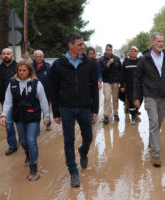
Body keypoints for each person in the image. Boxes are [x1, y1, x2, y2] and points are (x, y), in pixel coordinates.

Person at [50, 32, 99, 187]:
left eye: (82, 44)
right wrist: (56, 112)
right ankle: (73, 171)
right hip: (66, 108)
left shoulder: (89, 63)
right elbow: (54, 89)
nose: (82, 47)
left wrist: (95, 108)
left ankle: (83, 152)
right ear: (70, 45)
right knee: (68, 140)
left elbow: (94, 88)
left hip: (85, 107)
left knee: (88, 137)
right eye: (79, 44)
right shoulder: (58, 65)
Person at [0, 59, 50, 181]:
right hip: (18, 116)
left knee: (31, 140)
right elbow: (7, 101)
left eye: (24, 70)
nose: (21, 72)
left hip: (33, 116)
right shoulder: (12, 83)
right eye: (19, 70)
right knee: (23, 141)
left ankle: (33, 166)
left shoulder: (36, 83)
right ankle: (28, 154)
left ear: (29, 71)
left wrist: (46, 116)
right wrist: (3, 115)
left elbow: (43, 101)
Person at [133, 32, 165, 167]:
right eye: (158, 41)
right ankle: (156, 154)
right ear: (152, 42)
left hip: (163, 95)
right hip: (150, 95)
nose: (161, 44)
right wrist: (136, 97)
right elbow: (137, 79)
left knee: (160, 121)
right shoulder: (145, 59)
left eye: (162, 41)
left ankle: (152, 140)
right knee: (154, 121)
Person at [0, 48, 18, 155]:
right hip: (5, 101)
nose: (6, 56)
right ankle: (12, 145)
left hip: (20, 100)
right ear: (1, 56)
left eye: (8, 54)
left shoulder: (19, 67)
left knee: (21, 122)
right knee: (8, 123)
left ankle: (26, 142)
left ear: (12, 55)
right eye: (4, 54)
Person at [99, 44, 123, 124]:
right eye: (108, 50)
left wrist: (120, 80)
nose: (109, 51)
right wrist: (108, 63)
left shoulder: (116, 58)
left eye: (111, 50)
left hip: (115, 81)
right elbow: (102, 71)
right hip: (106, 81)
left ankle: (115, 113)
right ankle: (106, 115)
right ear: (105, 50)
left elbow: (121, 70)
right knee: (107, 98)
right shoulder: (102, 59)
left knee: (115, 98)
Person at [121, 46, 142, 125]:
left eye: (135, 51)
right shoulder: (126, 62)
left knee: (140, 100)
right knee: (131, 101)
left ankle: (135, 112)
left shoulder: (141, 61)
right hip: (129, 86)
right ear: (129, 53)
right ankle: (133, 116)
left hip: (140, 86)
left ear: (137, 52)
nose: (133, 52)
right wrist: (122, 85)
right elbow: (122, 74)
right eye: (131, 51)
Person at [32, 50, 52, 131]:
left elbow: (52, 80)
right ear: (34, 57)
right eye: (37, 56)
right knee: (35, 111)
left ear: (43, 57)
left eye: (40, 56)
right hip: (33, 93)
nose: (39, 58)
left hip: (46, 92)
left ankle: (48, 124)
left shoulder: (48, 67)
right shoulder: (30, 67)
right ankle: (36, 128)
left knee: (46, 108)